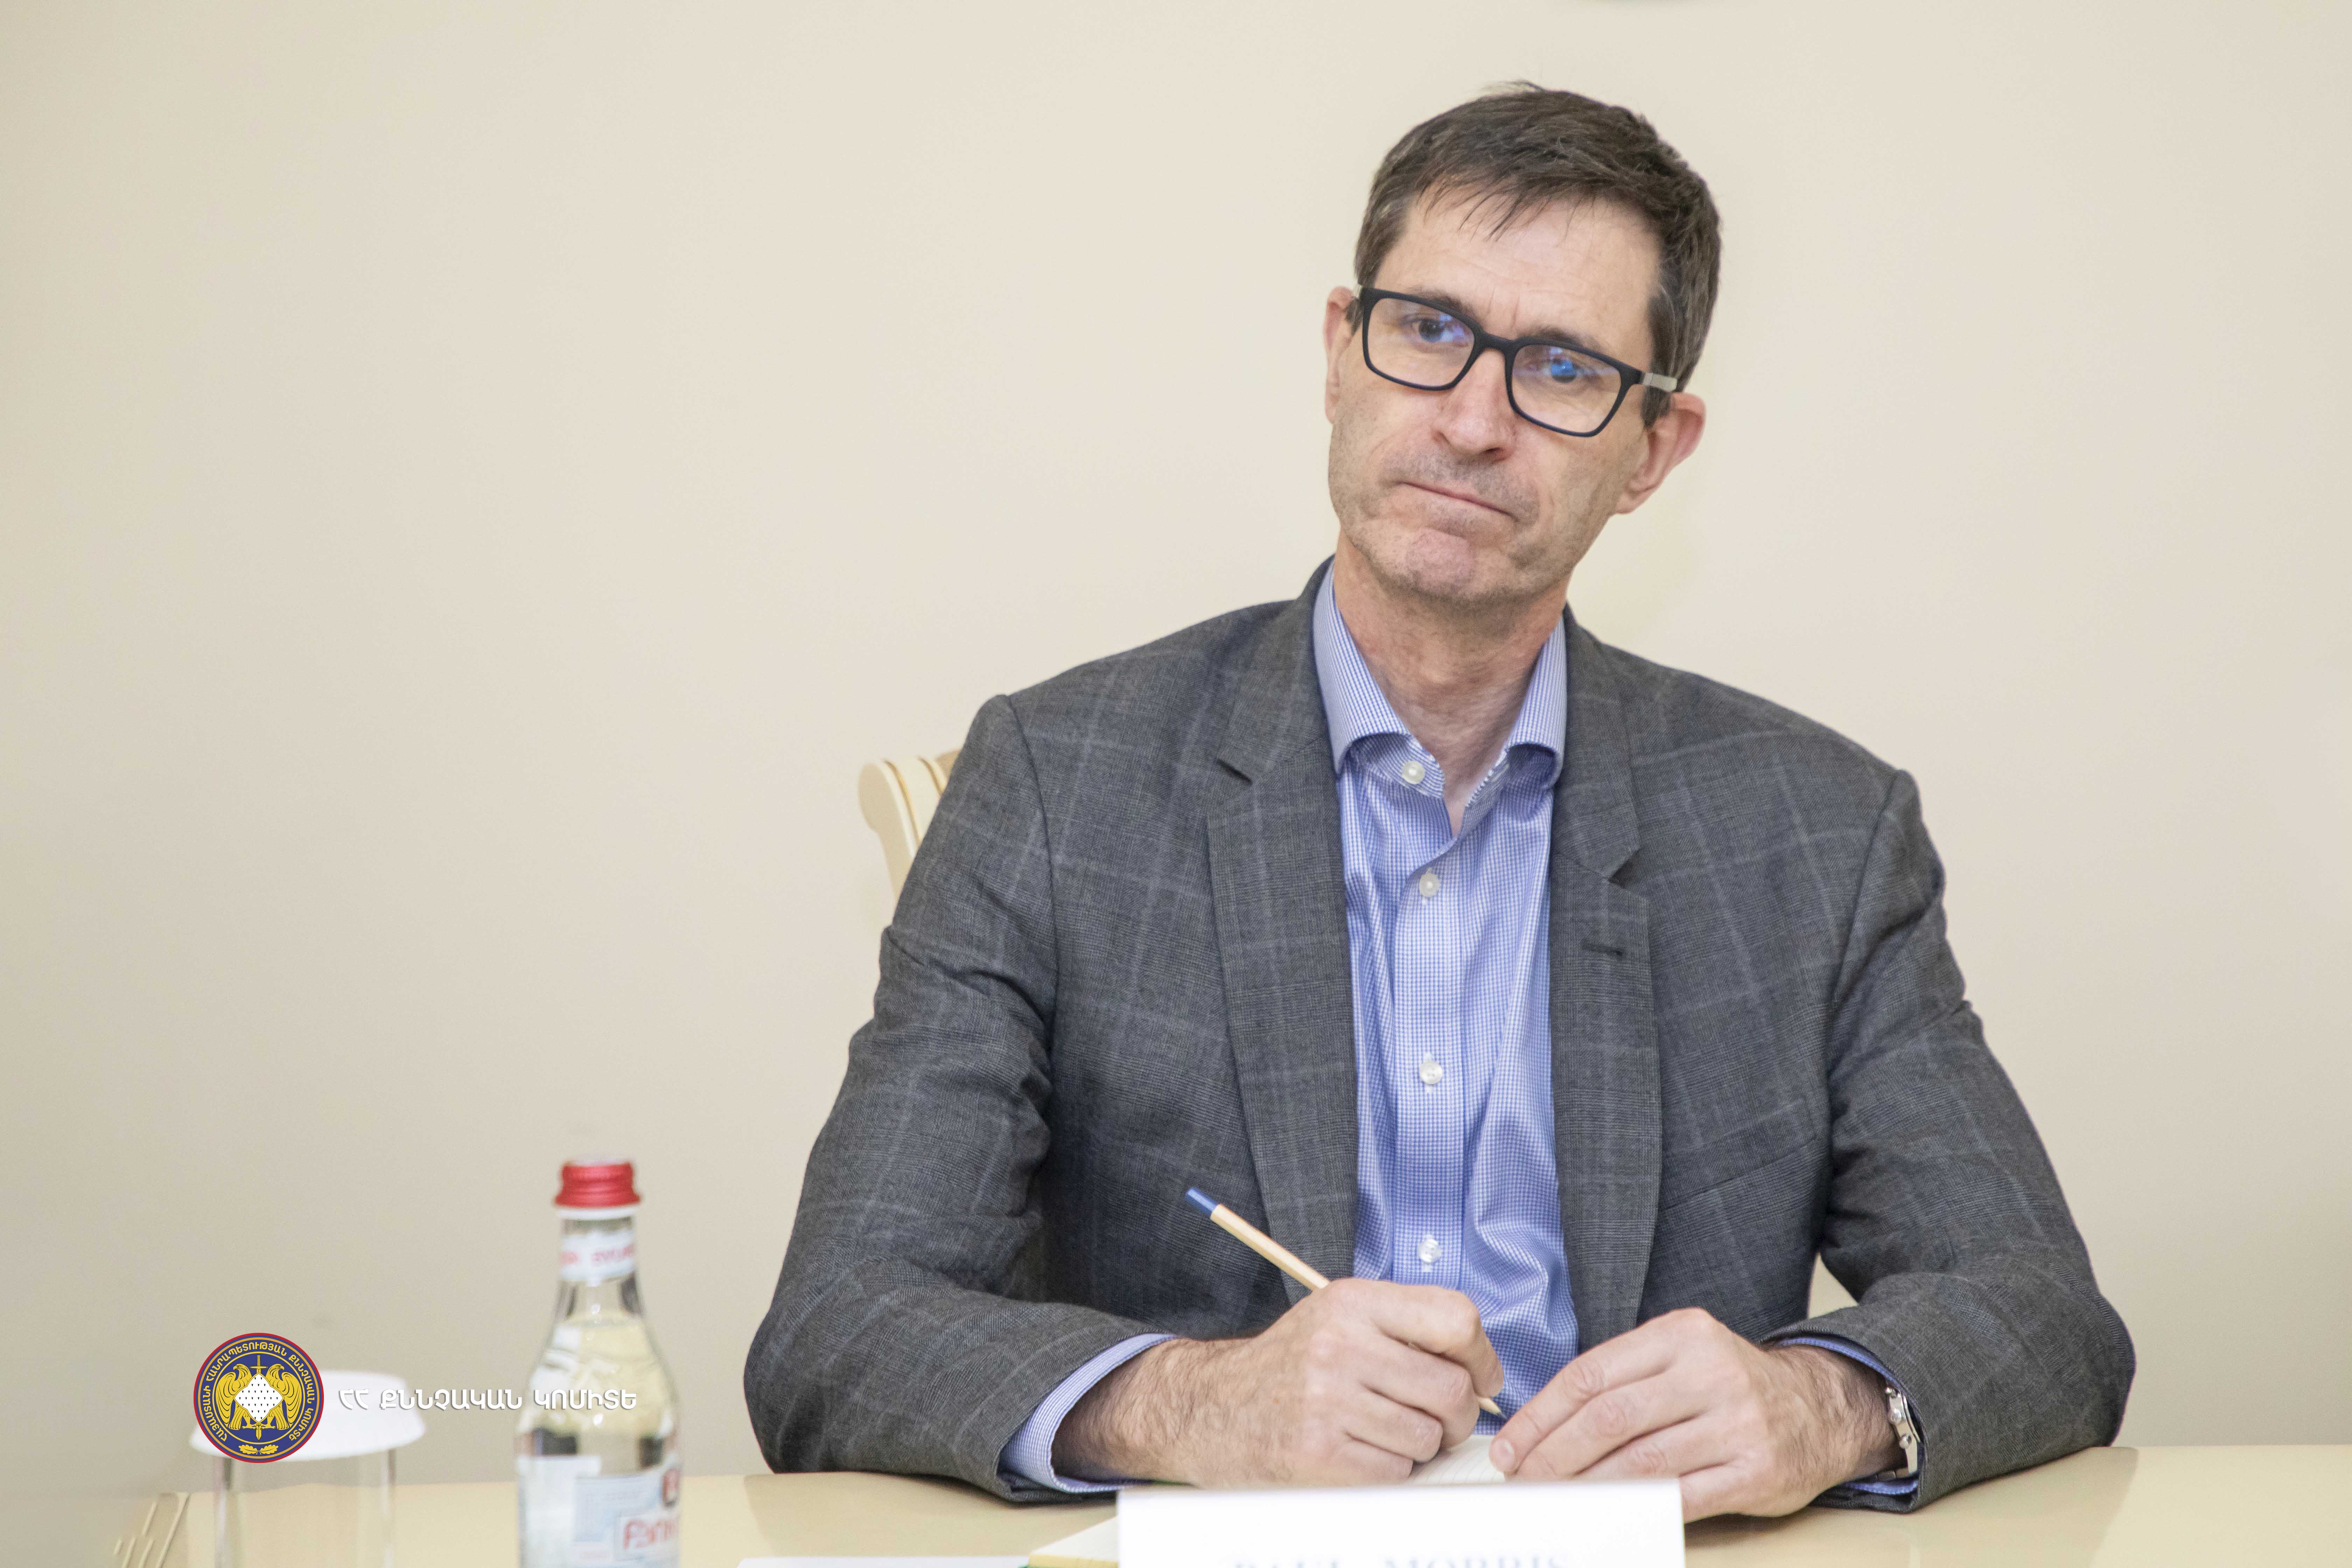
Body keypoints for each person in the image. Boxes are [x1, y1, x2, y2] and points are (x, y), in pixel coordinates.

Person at [744, 84, 2132, 1520]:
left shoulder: (1819, 834)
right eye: (1428, 332)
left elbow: (2045, 1314)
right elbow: (836, 1330)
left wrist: (1821, 1405)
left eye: (1564, 370)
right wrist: (1194, 1401)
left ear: (1654, 448)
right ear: (1339, 353)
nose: (1473, 422)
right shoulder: (1056, 781)